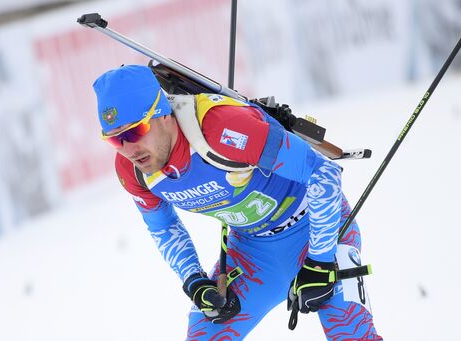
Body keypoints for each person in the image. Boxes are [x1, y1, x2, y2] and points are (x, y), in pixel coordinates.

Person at [92, 64, 382, 340]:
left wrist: (320, 260)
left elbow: (324, 172)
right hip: (253, 254)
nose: (129, 149)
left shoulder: (222, 128)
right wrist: (194, 281)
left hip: (317, 229)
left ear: (163, 114)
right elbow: (163, 227)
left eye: (135, 131)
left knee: (350, 332)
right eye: (116, 140)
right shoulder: (132, 171)